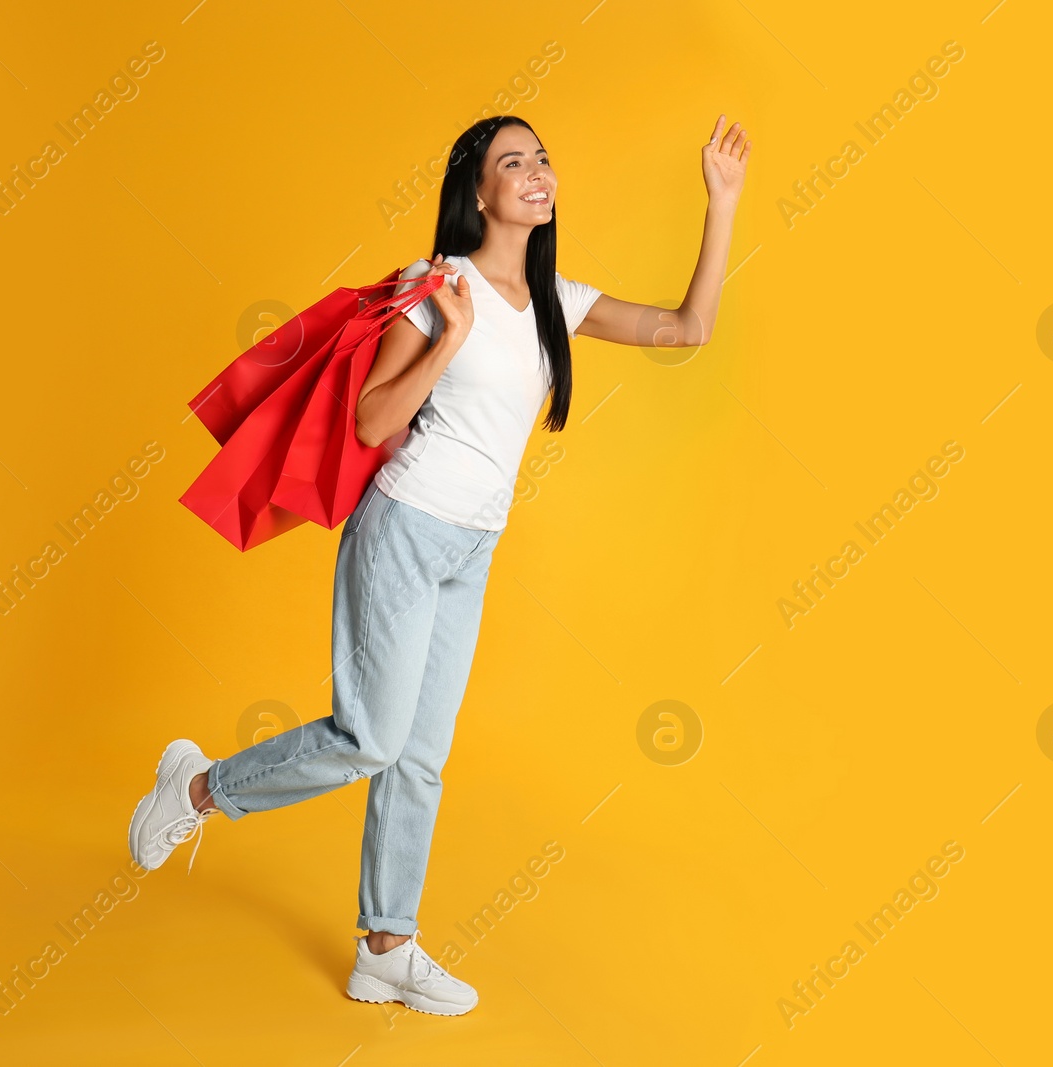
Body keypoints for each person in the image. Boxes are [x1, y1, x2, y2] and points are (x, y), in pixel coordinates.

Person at [128, 113, 752, 1015]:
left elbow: (687, 328)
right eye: (514, 162)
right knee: (369, 739)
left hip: (472, 544)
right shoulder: (439, 285)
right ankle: (193, 788)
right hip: (404, 529)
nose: (537, 172)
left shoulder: (556, 301)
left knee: (419, 758)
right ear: (479, 193)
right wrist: (449, 338)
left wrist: (721, 204)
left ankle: (387, 947)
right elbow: (374, 422)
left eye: (542, 157)